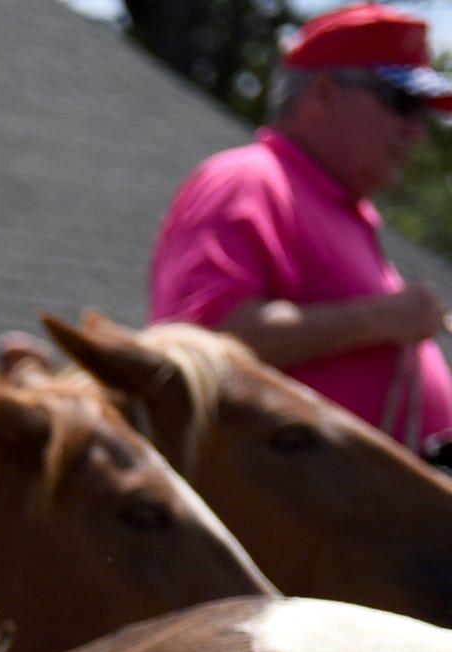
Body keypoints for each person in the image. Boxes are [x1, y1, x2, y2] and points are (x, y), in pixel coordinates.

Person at [150, 3, 452, 449]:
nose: (416, 130)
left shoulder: (344, 208)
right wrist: (382, 318)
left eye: (422, 112)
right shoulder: (248, 179)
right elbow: (194, 349)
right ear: (325, 94)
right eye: (403, 103)